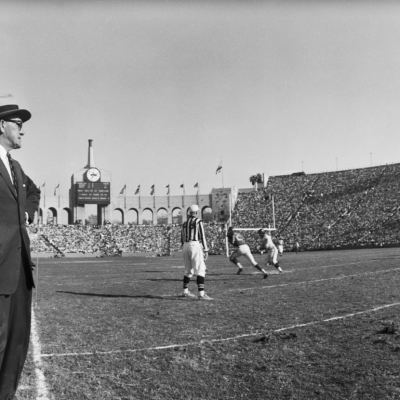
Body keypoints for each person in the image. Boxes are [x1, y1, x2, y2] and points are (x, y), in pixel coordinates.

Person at [0, 104, 40, 399]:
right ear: (1, 126)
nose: (22, 128)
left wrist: (27, 211)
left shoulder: (14, 166)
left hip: (19, 268)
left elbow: (33, 191)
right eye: (17, 122)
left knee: (16, 342)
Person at [181, 204, 212, 300]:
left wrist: (184, 246)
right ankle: (201, 294)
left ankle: (185, 291)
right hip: (194, 245)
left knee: (188, 270)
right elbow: (202, 236)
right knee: (200, 270)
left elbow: (182, 237)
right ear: (197, 212)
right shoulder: (198, 221)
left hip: (185, 245)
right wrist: (206, 249)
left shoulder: (185, 223)